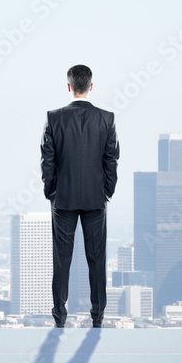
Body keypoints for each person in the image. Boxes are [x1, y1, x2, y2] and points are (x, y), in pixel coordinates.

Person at [40, 64, 119, 327]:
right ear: (91, 86)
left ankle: (59, 318)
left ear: (69, 86)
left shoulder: (53, 117)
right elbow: (111, 159)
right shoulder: (106, 118)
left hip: (63, 198)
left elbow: (47, 160)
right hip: (96, 199)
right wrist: (106, 190)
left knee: (62, 260)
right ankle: (97, 319)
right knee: (96, 260)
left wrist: (51, 191)